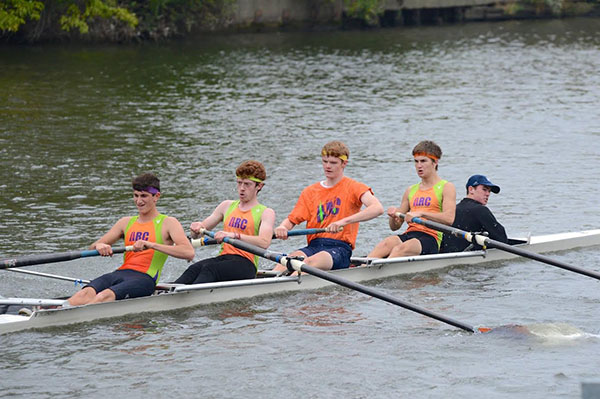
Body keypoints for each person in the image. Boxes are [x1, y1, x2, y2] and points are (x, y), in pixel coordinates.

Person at [68, 173, 195, 306]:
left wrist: (151, 245)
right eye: (136, 195)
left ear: (156, 196)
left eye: (144, 196)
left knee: (103, 296)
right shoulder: (125, 222)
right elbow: (92, 248)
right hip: (120, 273)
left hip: (145, 279)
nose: (139, 201)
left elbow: (188, 252)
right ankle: (55, 312)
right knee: (84, 294)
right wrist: (100, 246)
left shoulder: (168, 223)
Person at [272, 141, 384, 272]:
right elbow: (292, 220)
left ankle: (289, 284)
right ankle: (268, 281)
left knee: (308, 263)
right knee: (286, 262)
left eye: (333, 163)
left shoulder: (354, 187)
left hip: (340, 249)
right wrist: (282, 227)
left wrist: (343, 221)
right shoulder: (310, 191)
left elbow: (377, 208)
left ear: (344, 163)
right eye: (325, 162)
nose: (327, 166)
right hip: (314, 246)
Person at [174, 160, 275, 284]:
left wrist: (233, 235)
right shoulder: (226, 206)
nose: (242, 189)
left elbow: (264, 242)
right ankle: (165, 297)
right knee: (194, 269)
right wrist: (195, 229)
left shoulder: (266, 212)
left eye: (247, 184)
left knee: (210, 270)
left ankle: (192, 299)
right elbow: (198, 234)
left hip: (246, 264)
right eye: (239, 183)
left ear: (259, 186)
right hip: (224, 258)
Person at [368, 140, 456, 258]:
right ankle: (362, 269)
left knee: (401, 249)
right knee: (387, 243)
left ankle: (381, 271)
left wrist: (421, 214)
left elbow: (449, 219)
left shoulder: (446, 187)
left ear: (435, 162)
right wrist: (393, 217)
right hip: (410, 234)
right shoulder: (411, 190)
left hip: (431, 238)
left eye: (423, 161)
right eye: (416, 161)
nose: (419, 165)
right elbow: (394, 227)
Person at [440, 174, 507, 253]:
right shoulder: (480, 210)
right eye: (484, 189)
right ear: (471, 189)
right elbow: (502, 239)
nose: (488, 194)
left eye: (489, 191)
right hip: (469, 257)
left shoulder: (453, 209)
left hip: (447, 254)